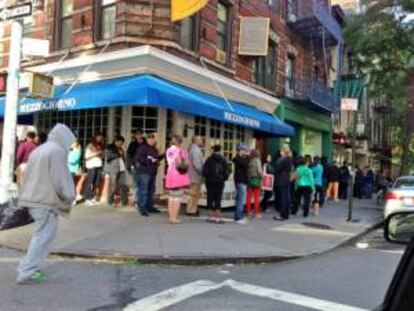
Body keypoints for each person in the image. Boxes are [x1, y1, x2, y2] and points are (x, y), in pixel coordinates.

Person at [16, 124, 76, 285]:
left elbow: (25, 175)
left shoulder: (39, 150)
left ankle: (27, 267)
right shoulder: (56, 152)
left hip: (34, 199)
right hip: (46, 201)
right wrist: (70, 196)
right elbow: (60, 179)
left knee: (40, 236)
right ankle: (27, 271)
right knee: (43, 237)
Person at [134, 133, 163, 216]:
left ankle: (150, 207)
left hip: (152, 172)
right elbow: (139, 158)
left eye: (154, 139)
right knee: (143, 191)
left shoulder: (153, 148)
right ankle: (142, 208)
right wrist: (150, 161)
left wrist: (162, 156)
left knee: (151, 191)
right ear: (148, 140)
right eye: (153, 139)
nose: (154, 141)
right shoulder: (142, 148)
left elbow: (156, 158)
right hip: (144, 172)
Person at [165, 135, 191, 224]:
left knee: (171, 197)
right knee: (177, 198)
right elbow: (186, 163)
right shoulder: (181, 151)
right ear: (180, 142)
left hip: (170, 175)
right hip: (179, 176)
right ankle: (174, 218)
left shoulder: (168, 150)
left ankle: (170, 217)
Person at [203, 145, 230, 223]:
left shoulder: (209, 159)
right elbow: (227, 172)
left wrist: (209, 177)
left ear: (213, 150)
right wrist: (223, 178)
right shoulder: (223, 160)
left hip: (210, 182)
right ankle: (218, 218)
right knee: (218, 198)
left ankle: (209, 217)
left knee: (210, 198)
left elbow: (205, 172)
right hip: (219, 181)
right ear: (220, 150)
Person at [104, 136, 128, 207]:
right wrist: (118, 154)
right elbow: (108, 157)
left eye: (122, 143)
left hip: (122, 169)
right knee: (113, 186)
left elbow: (122, 157)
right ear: (116, 141)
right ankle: (110, 200)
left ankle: (124, 202)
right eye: (120, 143)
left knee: (123, 186)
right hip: (113, 169)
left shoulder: (120, 148)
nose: (121, 144)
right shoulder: (109, 147)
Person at [273, 144, 293, 221]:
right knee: (286, 197)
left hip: (281, 180)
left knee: (283, 198)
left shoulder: (282, 159)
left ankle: (282, 215)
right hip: (286, 180)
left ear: (283, 151)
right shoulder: (290, 159)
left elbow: (276, 169)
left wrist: (280, 157)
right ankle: (286, 214)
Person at [84, 133, 104, 206]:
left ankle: (93, 197)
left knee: (96, 182)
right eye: (98, 137)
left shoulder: (100, 145)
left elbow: (101, 155)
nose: (100, 138)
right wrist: (96, 153)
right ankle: (87, 199)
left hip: (98, 165)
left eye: (101, 137)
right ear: (95, 137)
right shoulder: (90, 145)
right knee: (90, 182)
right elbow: (86, 157)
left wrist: (101, 155)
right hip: (91, 166)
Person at [232, 143, 250, 224]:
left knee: (241, 199)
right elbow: (245, 164)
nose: (246, 151)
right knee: (240, 199)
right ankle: (238, 217)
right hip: (240, 181)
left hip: (243, 181)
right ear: (240, 150)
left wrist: (246, 156)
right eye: (244, 150)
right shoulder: (237, 158)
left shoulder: (242, 158)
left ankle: (240, 215)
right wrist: (248, 156)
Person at [186, 136, 204, 216]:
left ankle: (192, 209)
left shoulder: (192, 148)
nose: (202, 141)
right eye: (200, 139)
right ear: (195, 141)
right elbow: (197, 165)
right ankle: (191, 210)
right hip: (195, 176)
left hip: (192, 175)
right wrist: (203, 172)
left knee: (193, 194)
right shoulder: (196, 150)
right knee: (194, 194)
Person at [127, 129, 145, 206]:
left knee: (143, 184)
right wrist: (130, 166)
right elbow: (128, 156)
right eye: (137, 134)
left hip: (144, 167)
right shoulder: (132, 144)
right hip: (135, 166)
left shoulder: (145, 143)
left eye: (140, 134)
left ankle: (142, 200)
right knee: (136, 184)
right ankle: (136, 201)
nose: (139, 135)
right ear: (135, 135)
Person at [246, 149, 263, 219]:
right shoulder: (257, 161)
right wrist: (262, 177)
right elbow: (259, 170)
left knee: (249, 197)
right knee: (256, 197)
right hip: (256, 180)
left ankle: (248, 213)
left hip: (249, 180)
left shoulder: (249, 161)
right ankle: (256, 213)